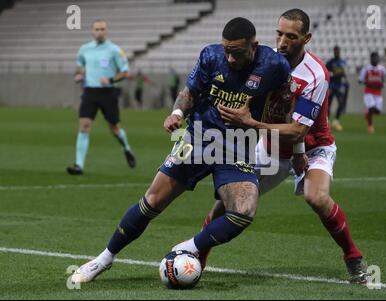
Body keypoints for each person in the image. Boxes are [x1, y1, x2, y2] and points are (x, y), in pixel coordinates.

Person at [71, 17, 292, 284]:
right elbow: (189, 92)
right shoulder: (211, 56)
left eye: (237, 52)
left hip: (239, 144)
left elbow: (284, 110)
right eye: (227, 51)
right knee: (152, 201)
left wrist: (292, 146)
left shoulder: (275, 66)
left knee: (244, 211)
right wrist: (177, 112)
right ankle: (103, 259)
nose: (231, 58)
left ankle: (187, 248)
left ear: (254, 46)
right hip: (199, 137)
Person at [193, 9, 368, 284]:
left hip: (314, 148)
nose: (283, 41)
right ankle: (195, 261)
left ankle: (353, 257)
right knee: (225, 204)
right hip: (272, 148)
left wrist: (253, 125)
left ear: (306, 38)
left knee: (316, 197)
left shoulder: (315, 75)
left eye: (291, 36)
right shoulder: (268, 64)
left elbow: (298, 129)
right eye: (279, 33)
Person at [67, 20, 136, 175]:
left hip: (108, 93)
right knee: (84, 126)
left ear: (107, 31)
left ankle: (126, 148)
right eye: (97, 29)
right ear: (92, 31)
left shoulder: (115, 50)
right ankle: (79, 165)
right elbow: (80, 68)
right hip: (90, 92)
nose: (99, 32)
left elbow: (125, 72)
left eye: (102, 29)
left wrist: (111, 80)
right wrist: (79, 75)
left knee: (114, 128)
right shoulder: (84, 49)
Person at [358, 52, 386, 134]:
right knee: (371, 107)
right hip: (369, 92)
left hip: (378, 93)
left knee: (377, 111)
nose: (375, 59)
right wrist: (367, 81)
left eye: (377, 58)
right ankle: (370, 126)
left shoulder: (382, 69)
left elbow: (383, 79)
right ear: (371, 59)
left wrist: (381, 83)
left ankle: (367, 114)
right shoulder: (366, 69)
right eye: (374, 58)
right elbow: (360, 80)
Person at [326, 45, 348, 131]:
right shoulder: (330, 62)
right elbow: (326, 72)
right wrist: (332, 74)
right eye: (335, 51)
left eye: (338, 51)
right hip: (331, 85)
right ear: (333, 52)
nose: (337, 52)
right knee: (328, 105)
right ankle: (326, 122)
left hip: (339, 85)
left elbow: (343, 72)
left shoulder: (342, 62)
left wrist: (345, 79)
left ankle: (336, 121)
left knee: (341, 103)